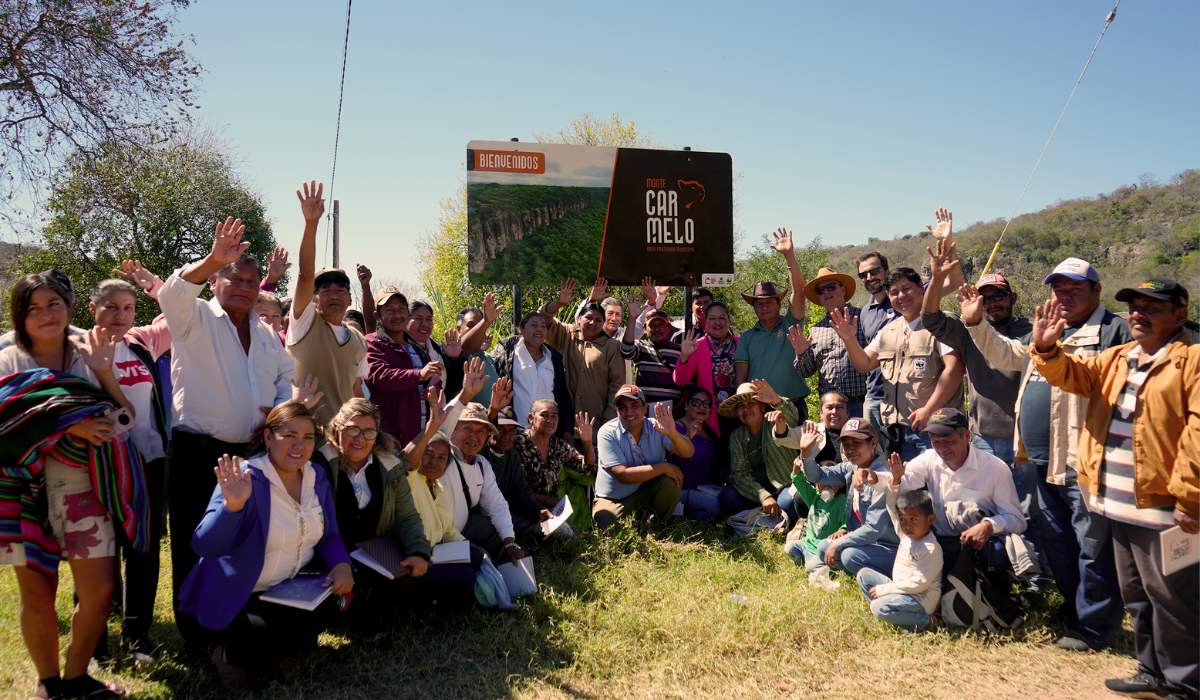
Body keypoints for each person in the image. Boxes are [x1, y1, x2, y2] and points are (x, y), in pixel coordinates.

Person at [1028, 279, 1197, 699]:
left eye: (1152, 307)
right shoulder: (1119, 357)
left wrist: (1191, 498)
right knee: (1137, 594)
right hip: (1117, 500)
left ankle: (1185, 683)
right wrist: (1048, 350)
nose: (1139, 314)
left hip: (1165, 506)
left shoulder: (1191, 359)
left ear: (1179, 313)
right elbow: (1074, 376)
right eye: (1135, 307)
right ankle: (1151, 672)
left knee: (1174, 599)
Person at [964, 256, 1131, 651]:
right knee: (1059, 541)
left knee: (1093, 546)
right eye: (1058, 288)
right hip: (1042, 459)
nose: (1065, 295)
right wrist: (975, 322)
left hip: (1086, 460)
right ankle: (1074, 613)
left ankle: (1096, 627)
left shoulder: (1113, 331)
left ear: (1097, 290)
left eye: (1074, 288)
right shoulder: (1046, 330)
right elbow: (1004, 355)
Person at [1, 272, 143, 699]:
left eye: (54, 304)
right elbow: (5, 421)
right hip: (20, 488)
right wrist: (70, 423)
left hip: (84, 485)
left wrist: (104, 374)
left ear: (69, 307)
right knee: (38, 591)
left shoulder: (89, 353)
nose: (45, 314)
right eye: (33, 308)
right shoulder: (7, 360)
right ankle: (49, 684)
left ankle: (77, 676)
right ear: (20, 316)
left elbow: (124, 421)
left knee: (99, 590)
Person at [157, 216, 296, 640]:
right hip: (198, 450)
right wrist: (212, 258)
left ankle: (230, 616)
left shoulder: (266, 332)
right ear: (215, 282)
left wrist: (273, 416)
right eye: (233, 277)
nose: (244, 285)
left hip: (250, 454)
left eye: (253, 280)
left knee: (237, 539)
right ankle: (195, 630)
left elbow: (283, 378)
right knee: (193, 540)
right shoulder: (194, 318)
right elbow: (172, 292)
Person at [176, 402, 353, 691]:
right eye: (290, 435)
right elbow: (204, 545)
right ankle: (224, 652)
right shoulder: (245, 476)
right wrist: (232, 507)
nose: (300, 445)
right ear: (269, 437)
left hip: (286, 590)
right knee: (259, 646)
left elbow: (329, 534)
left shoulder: (316, 475)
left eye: (308, 437)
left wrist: (342, 564)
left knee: (328, 611)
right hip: (239, 597)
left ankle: (268, 651)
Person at [85, 276, 174, 657]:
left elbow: (182, 312)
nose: (121, 316)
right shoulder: (76, 351)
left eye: (128, 308)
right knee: (99, 553)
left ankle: (137, 635)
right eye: (111, 307)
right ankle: (95, 641)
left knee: (144, 550)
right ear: (92, 309)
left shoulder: (140, 343)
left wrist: (159, 290)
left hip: (150, 462)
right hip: (99, 466)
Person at [314, 397, 433, 624]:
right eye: (352, 430)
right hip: (330, 556)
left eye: (369, 432)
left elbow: (407, 516)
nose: (360, 439)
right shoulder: (320, 462)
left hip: (375, 555)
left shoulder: (390, 467)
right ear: (337, 428)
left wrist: (418, 552)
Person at [831, 267, 965, 460]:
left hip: (934, 429)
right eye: (894, 292)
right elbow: (865, 364)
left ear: (921, 287)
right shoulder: (889, 330)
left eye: (906, 289)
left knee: (941, 487)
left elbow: (955, 369)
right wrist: (849, 339)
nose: (901, 296)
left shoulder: (939, 323)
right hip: (896, 432)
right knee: (907, 487)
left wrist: (928, 410)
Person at [920, 243, 1032, 467]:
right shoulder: (966, 332)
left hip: (1024, 438)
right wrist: (938, 279)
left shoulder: (1032, 331)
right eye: (985, 299)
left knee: (1024, 502)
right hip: (983, 439)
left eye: (999, 296)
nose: (992, 304)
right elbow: (930, 318)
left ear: (1013, 298)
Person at [882, 408, 1025, 578]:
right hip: (941, 541)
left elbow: (1017, 520)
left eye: (948, 441)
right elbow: (900, 486)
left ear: (967, 436)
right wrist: (888, 478)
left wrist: (988, 526)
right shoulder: (929, 458)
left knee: (997, 552)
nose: (942, 449)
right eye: (936, 442)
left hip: (979, 543)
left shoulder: (995, 468)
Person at [287, 180, 367, 427]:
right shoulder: (304, 323)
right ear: (314, 299)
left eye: (341, 289)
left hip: (344, 439)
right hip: (306, 436)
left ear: (350, 299)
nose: (334, 295)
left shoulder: (357, 339)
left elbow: (356, 390)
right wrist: (311, 224)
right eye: (326, 289)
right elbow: (305, 274)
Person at [790, 418, 900, 577]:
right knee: (823, 547)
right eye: (847, 444)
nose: (851, 449)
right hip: (864, 543)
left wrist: (840, 543)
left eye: (857, 443)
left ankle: (876, 575)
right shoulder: (851, 467)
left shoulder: (882, 476)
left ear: (873, 443)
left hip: (886, 547)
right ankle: (859, 569)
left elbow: (873, 529)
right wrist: (806, 453)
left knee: (848, 556)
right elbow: (817, 476)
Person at [857, 463, 943, 632]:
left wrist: (886, 589)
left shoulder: (931, 548)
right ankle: (896, 616)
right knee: (863, 575)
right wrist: (895, 481)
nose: (907, 525)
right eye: (903, 520)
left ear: (930, 519)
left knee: (878, 607)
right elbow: (891, 505)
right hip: (899, 590)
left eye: (913, 520)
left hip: (919, 599)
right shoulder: (905, 535)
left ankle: (927, 621)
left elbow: (919, 583)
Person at [593, 385, 694, 527]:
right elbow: (622, 474)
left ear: (645, 408)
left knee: (669, 483)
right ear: (617, 412)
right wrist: (664, 467)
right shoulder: (607, 433)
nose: (629, 412)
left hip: (646, 491)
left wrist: (673, 433)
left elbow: (688, 452)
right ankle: (638, 523)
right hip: (614, 499)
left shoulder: (656, 427)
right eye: (622, 407)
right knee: (605, 522)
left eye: (635, 406)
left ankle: (657, 527)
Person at [733, 228, 810, 415]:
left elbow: (799, 291)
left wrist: (789, 255)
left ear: (779, 303)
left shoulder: (791, 324)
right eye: (759, 303)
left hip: (793, 404)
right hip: (760, 408)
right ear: (754, 307)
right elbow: (741, 378)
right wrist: (742, 405)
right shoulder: (747, 338)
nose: (764, 307)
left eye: (769, 302)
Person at [440, 400, 526, 562]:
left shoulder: (481, 464)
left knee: (501, 536)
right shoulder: (442, 456)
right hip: (438, 540)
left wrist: (509, 542)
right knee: (477, 566)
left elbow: (496, 504)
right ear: (453, 429)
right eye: (468, 428)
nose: (474, 436)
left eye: (481, 431)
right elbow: (442, 424)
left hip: (462, 531)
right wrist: (466, 393)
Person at [539, 278, 625, 434]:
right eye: (589, 318)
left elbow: (617, 386)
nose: (593, 322)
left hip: (596, 426)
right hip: (562, 424)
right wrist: (559, 302)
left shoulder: (611, 346)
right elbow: (542, 319)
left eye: (599, 320)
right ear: (579, 319)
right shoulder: (566, 334)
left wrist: (608, 423)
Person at [365, 286, 442, 447]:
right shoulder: (371, 343)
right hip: (390, 441)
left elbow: (428, 386)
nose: (397, 315)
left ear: (407, 314)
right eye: (389, 310)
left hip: (421, 438)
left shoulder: (416, 347)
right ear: (377, 316)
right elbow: (379, 377)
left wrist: (434, 385)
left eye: (401, 309)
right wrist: (419, 374)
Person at [717, 380, 804, 521]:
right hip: (757, 493)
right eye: (741, 407)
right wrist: (764, 496)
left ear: (762, 407)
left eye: (751, 404)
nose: (746, 409)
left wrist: (776, 400)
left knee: (788, 503)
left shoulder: (775, 421)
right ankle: (767, 514)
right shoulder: (737, 436)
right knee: (727, 497)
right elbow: (740, 474)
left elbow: (791, 416)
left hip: (784, 485)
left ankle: (770, 515)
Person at [791, 267, 868, 416]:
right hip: (830, 409)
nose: (826, 293)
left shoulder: (863, 318)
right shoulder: (815, 330)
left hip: (862, 404)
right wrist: (800, 354)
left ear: (843, 290)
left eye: (831, 287)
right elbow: (805, 372)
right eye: (821, 290)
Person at [490, 311, 576, 438]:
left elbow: (562, 395)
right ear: (521, 329)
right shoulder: (507, 352)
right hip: (515, 431)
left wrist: (566, 431)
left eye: (543, 326)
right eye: (534, 325)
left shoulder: (553, 357)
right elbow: (501, 392)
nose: (539, 329)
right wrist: (505, 426)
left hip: (548, 432)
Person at [782, 422, 848, 572]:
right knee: (790, 547)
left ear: (840, 485)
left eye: (831, 483)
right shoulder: (814, 497)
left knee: (811, 567)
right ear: (817, 484)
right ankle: (806, 557)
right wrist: (796, 469)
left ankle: (817, 563)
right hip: (808, 542)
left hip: (825, 545)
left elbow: (847, 522)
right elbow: (799, 481)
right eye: (822, 482)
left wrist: (841, 531)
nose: (827, 486)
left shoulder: (842, 501)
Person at [511, 399, 595, 515]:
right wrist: (550, 501)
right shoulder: (518, 443)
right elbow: (514, 488)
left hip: (552, 509)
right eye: (544, 415)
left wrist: (587, 442)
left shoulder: (558, 445)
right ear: (531, 418)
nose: (550, 420)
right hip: (522, 507)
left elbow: (587, 467)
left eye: (554, 416)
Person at [673, 301, 739, 439]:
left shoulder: (741, 343)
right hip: (710, 415)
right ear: (705, 321)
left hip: (739, 412)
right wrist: (684, 357)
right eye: (712, 318)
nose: (717, 322)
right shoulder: (697, 346)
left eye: (722, 318)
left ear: (728, 320)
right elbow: (681, 381)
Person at [856, 251, 898, 438]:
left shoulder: (902, 300)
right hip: (874, 395)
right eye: (863, 275)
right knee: (876, 459)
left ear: (886, 271)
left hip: (904, 395)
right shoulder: (865, 312)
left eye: (874, 271)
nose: (869, 278)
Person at [668, 386, 723, 522]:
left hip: (705, 490)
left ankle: (691, 518)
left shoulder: (710, 435)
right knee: (716, 507)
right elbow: (669, 452)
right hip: (677, 491)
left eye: (706, 404)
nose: (701, 407)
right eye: (696, 402)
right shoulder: (674, 428)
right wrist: (687, 436)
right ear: (686, 405)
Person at [443, 293, 502, 404]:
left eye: (480, 326)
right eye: (471, 325)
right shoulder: (455, 355)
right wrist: (486, 321)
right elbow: (466, 345)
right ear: (458, 329)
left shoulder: (488, 358)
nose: (478, 329)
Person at [622, 305, 682, 405]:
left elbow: (687, 383)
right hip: (645, 409)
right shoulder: (641, 347)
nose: (657, 329)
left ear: (668, 327)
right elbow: (626, 351)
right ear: (645, 329)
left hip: (672, 411)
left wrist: (679, 407)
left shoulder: (679, 351)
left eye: (661, 325)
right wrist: (632, 319)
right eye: (652, 325)